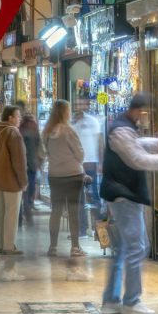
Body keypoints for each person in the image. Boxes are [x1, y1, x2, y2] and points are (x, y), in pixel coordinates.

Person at [100, 93, 158, 314]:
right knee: (136, 247)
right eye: (143, 112)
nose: (144, 116)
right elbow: (136, 158)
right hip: (125, 196)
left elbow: (135, 144)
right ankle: (131, 301)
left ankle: (111, 301)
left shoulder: (124, 128)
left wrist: (155, 143)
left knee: (123, 249)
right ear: (136, 110)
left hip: (124, 195)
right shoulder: (121, 129)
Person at [43, 100, 86, 257]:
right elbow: (80, 154)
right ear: (65, 113)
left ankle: (53, 246)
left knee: (56, 211)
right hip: (73, 175)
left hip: (55, 175)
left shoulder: (47, 132)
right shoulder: (69, 131)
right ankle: (75, 247)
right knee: (74, 212)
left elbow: (46, 153)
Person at [0, 106, 26, 262]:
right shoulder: (13, 133)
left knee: (1, 213)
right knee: (11, 213)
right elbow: (19, 161)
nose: (19, 119)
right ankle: (9, 246)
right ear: (10, 118)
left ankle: (0, 245)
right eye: (18, 116)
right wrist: (23, 181)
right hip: (11, 180)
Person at [71, 97, 103, 235]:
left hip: (90, 163)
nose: (79, 106)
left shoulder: (93, 122)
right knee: (78, 198)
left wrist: (101, 162)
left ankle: (100, 229)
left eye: (82, 103)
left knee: (94, 196)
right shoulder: (71, 123)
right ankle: (82, 229)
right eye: (77, 103)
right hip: (76, 164)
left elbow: (100, 142)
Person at [18, 112, 43, 226]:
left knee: (23, 191)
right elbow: (39, 147)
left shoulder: (21, 130)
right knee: (29, 189)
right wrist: (39, 162)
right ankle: (26, 213)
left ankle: (22, 215)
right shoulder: (31, 129)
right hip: (30, 164)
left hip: (26, 165)